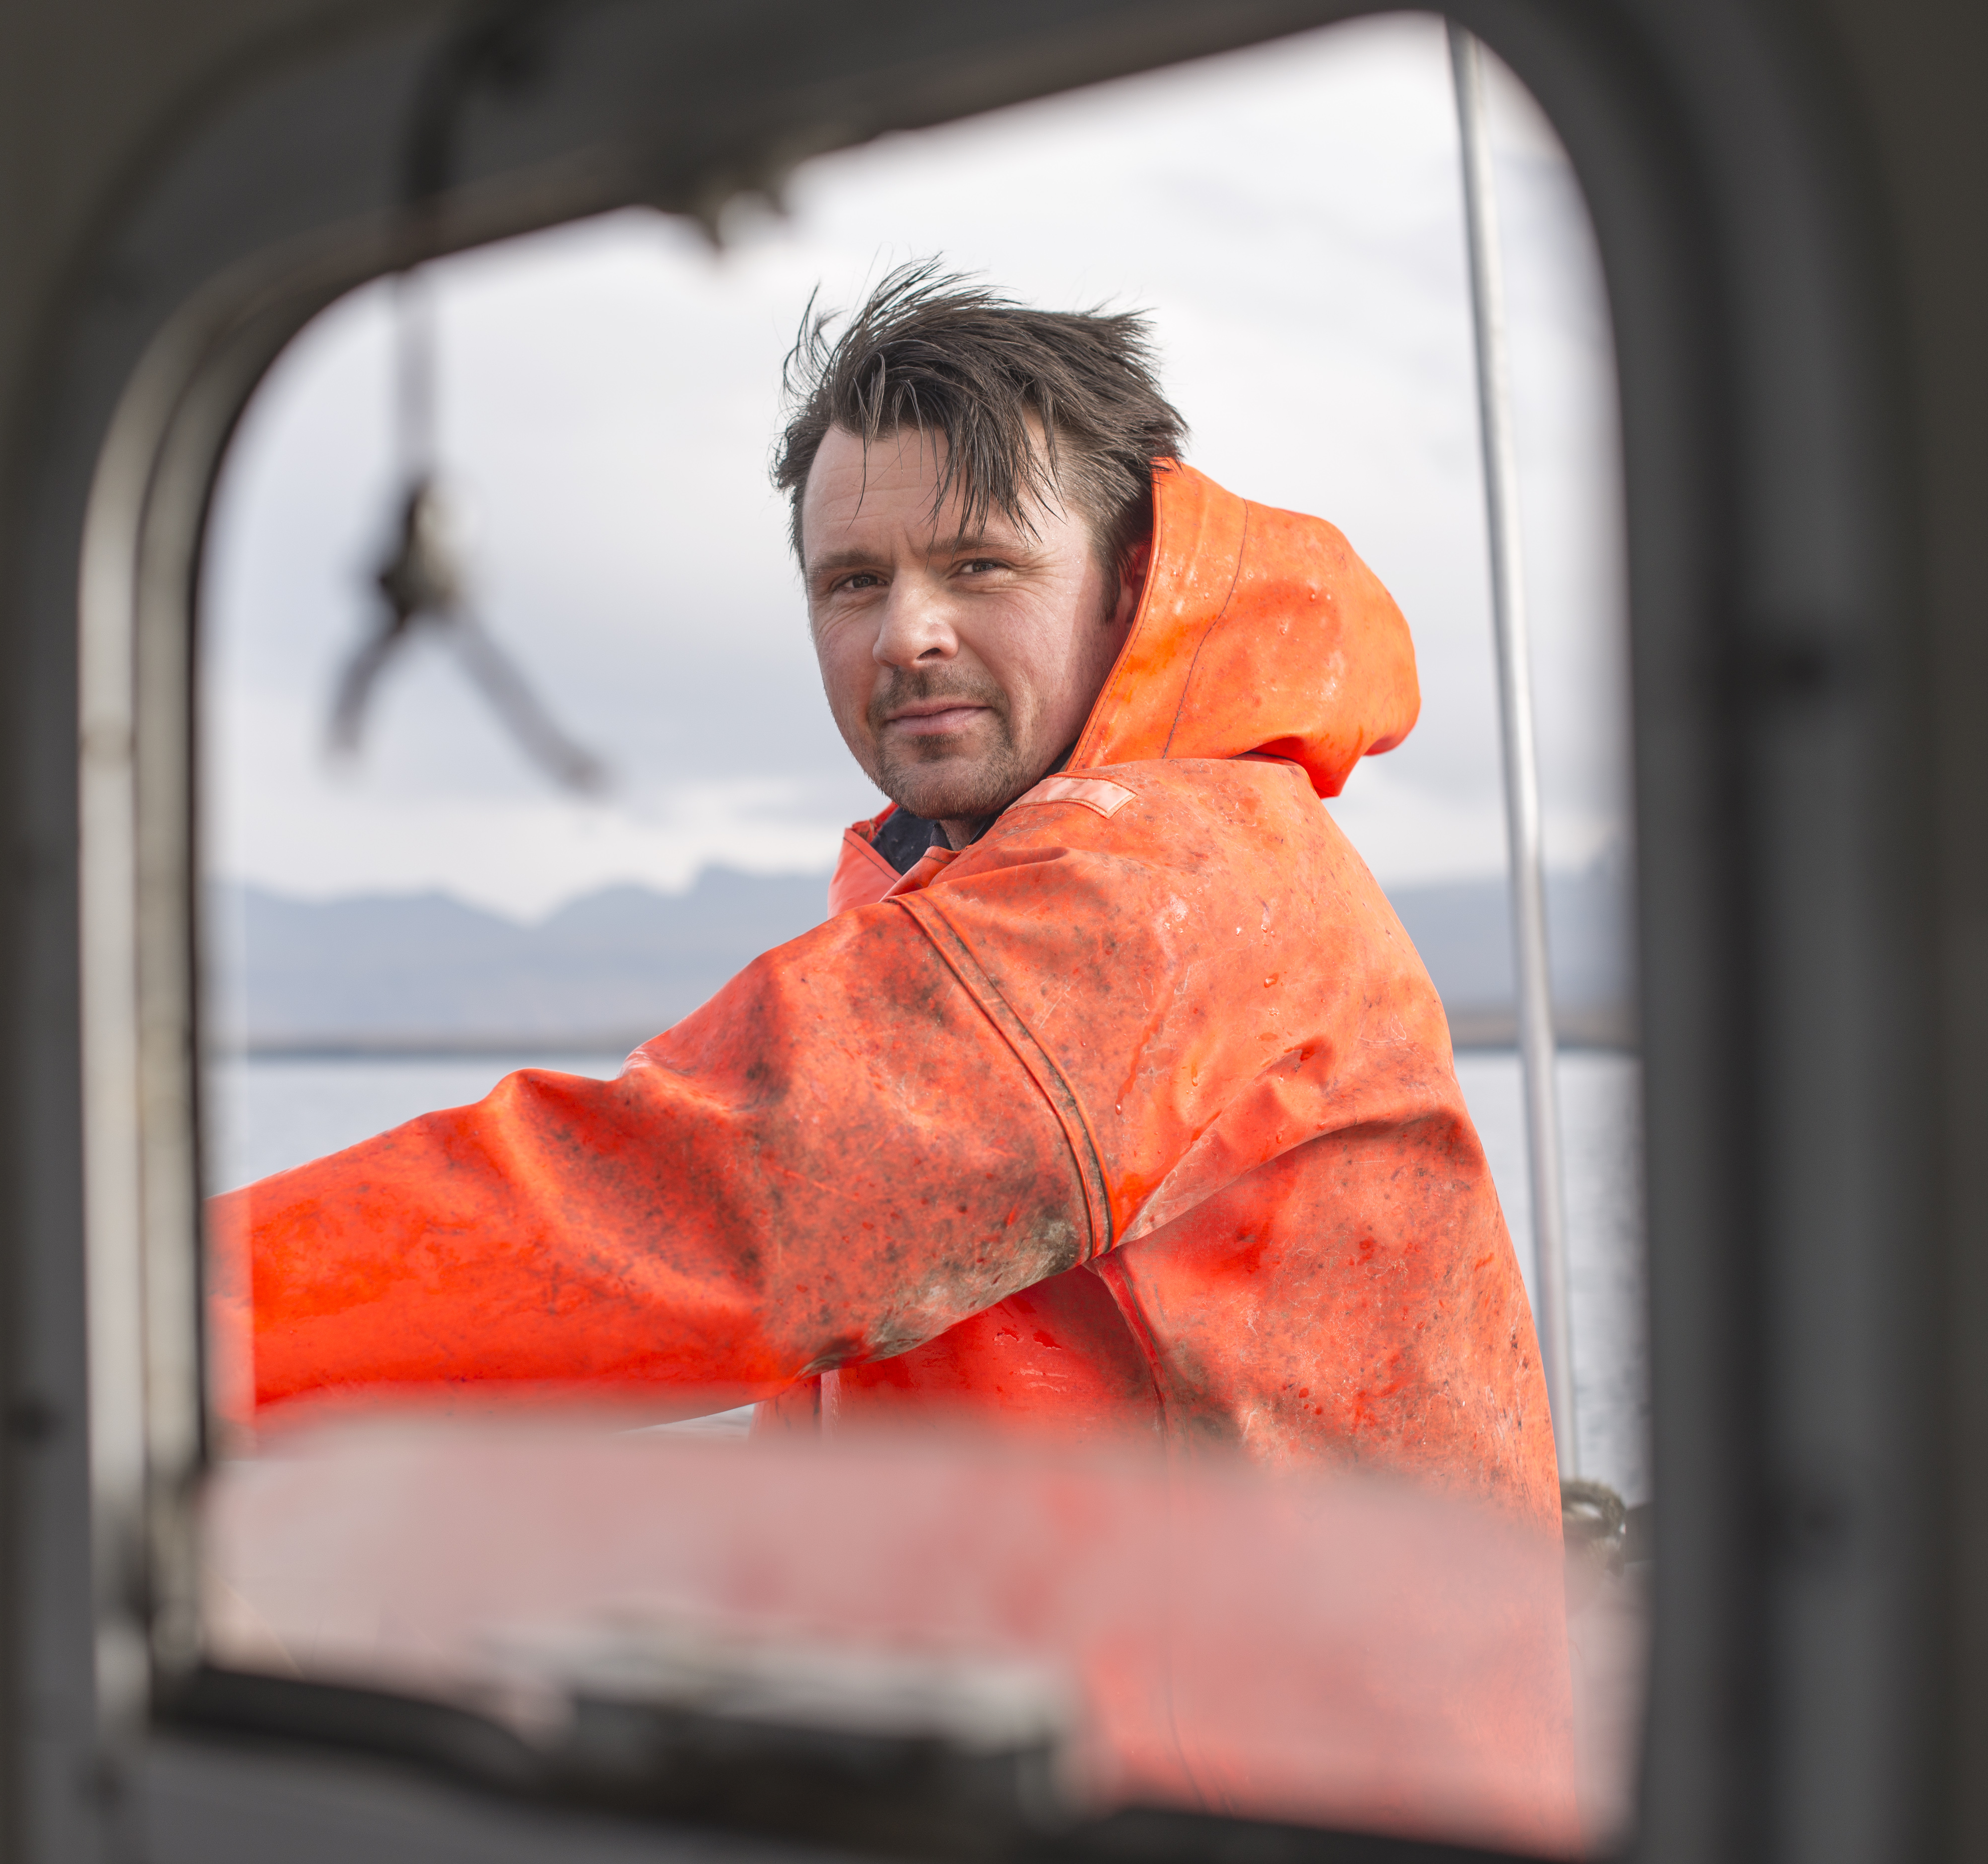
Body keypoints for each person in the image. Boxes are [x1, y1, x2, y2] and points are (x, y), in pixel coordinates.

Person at [213, 267, 1558, 1528]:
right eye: (854, 581)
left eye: (980, 565)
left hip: (1293, 1757)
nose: (907, 632)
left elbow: (718, 1202)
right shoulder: (974, 880)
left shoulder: (1169, 887)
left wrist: (157, 1316)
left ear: (1129, 587)